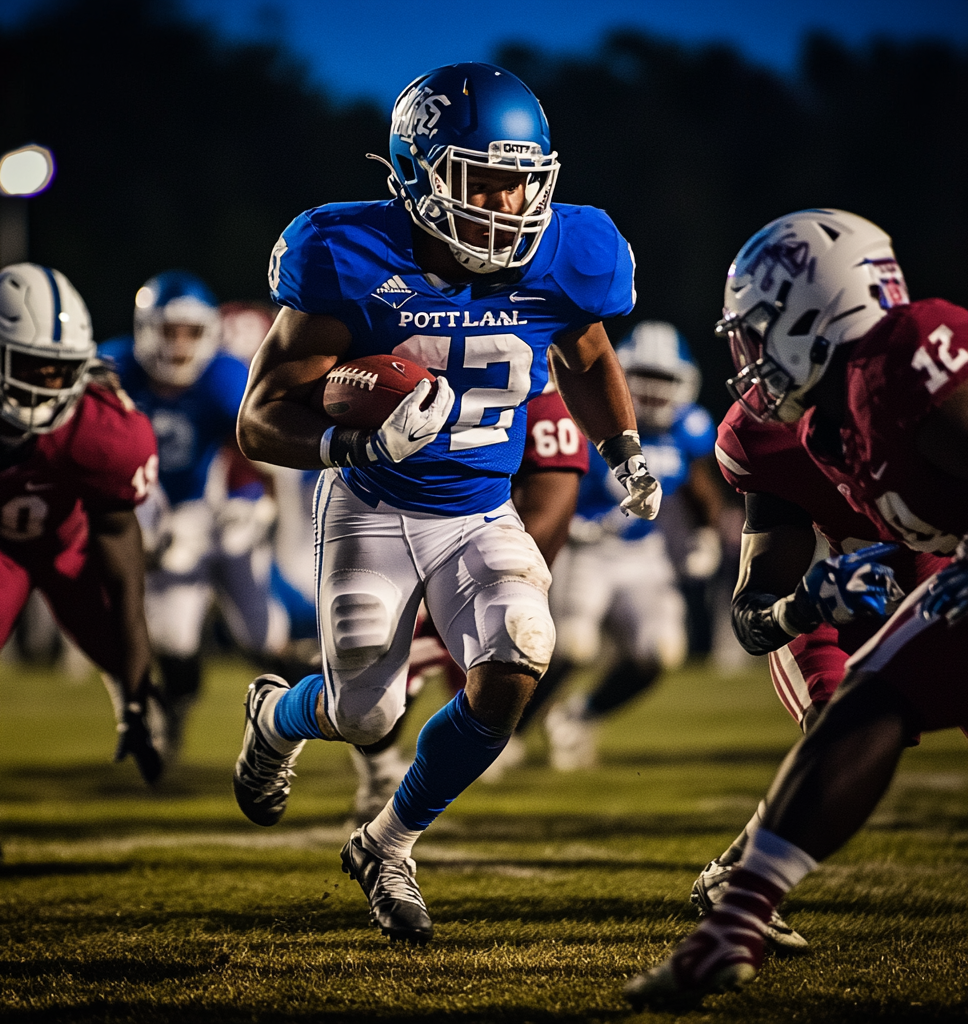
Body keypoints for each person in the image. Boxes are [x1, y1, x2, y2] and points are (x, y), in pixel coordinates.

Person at [232, 62, 661, 944]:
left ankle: (388, 844)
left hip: (479, 510)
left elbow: (586, 358)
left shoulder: (568, 253)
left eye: (523, 181)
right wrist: (347, 441)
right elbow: (259, 418)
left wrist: (621, 449)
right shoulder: (346, 257)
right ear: (417, 174)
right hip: (372, 505)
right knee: (366, 714)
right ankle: (275, 716)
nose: (510, 206)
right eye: (486, 181)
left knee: (519, 657)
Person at [624, 208, 968, 1009]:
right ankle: (737, 913)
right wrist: (810, 598)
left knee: (876, 689)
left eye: (758, 328)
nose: (745, 356)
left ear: (818, 309)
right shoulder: (795, 430)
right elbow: (755, 611)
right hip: (872, 585)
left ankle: (738, 902)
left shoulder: (911, 354)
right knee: (861, 698)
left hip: (942, 567)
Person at [688, 394, 946, 953]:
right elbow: (754, 612)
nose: (754, 354)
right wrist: (802, 606)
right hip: (856, 604)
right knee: (842, 722)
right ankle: (741, 879)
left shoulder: (927, 380)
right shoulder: (766, 433)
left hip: (949, 592)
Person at [0, 264, 160, 877]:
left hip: (67, 546)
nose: (44, 386)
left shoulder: (105, 431)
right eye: (30, 367)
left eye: (59, 372)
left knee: (135, 666)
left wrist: (132, 694)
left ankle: (144, 703)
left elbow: (122, 559)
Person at [349, 382, 591, 822]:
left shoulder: (540, 401)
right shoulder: (419, 373)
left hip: (480, 555)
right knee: (370, 678)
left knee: (499, 658)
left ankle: (395, 797)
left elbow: (551, 503)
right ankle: (377, 771)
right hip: (395, 536)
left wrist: (488, 583)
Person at [101, 273, 289, 751]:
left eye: (190, 332)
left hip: (213, 510)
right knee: (173, 635)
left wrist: (259, 504)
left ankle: (308, 715)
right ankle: (175, 704)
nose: (180, 345)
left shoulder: (223, 374)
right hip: (140, 506)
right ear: (146, 329)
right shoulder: (113, 369)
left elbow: (263, 446)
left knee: (265, 634)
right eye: (170, 331)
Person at [542, 321, 721, 769]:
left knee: (661, 650)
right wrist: (567, 525)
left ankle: (579, 716)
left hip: (642, 554)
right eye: (642, 377)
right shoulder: (590, 417)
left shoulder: (689, 427)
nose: (653, 390)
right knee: (572, 646)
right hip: (585, 551)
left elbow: (700, 488)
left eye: (664, 380)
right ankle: (506, 733)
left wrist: (704, 534)